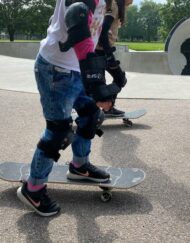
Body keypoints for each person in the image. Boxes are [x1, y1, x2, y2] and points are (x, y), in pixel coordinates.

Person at [17, 0, 123, 217]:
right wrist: (95, 83)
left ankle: (79, 166)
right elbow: (76, 15)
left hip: (77, 69)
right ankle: (33, 189)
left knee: (90, 115)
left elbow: (96, 32)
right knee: (58, 130)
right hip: (56, 69)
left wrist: (112, 65)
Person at [96, 0, 133, 117]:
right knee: (120, 78)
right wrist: (108, 55)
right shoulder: (113, 5)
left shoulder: (112, 5)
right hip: (101, 51)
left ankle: (106, 107)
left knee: (99, 83)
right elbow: (103, 32)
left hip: (99, 50)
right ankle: (107, 107)